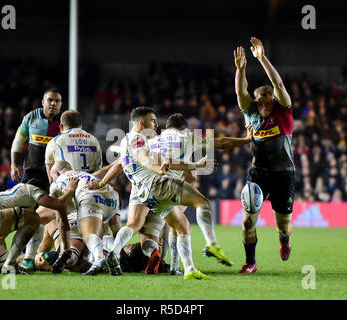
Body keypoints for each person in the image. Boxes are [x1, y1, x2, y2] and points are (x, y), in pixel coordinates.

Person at [86, 106, 213, 280]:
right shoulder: (140, 139)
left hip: (138, 191)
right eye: (153, 120)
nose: (155, 124)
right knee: (175, 225)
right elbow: (144, 158)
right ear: (141, 122)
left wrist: (100, 182)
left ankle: (115, 252)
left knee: (133, 224)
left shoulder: (128, 141)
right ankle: (168, 262)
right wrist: (160, 169)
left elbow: (117, 166)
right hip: (155, 185)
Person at [147, 113, 253, 272]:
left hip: (148, 189)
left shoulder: (153, 140)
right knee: (202, 203)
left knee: (174, 226)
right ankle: (212, 244)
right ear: (185, 127)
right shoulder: (186, 136)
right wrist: (246, 140)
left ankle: (171, 266)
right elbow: (222, 142)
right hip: (169, 186)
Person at [234, 37, 295, 273]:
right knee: (247, 220)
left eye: (268, 102)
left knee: (283, 226)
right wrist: (241, 69)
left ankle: (284, 240)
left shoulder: (284, 112)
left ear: (274, 101)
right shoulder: (250, 113)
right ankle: (250, 262)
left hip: (284, 174)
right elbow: (240, 91)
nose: (264, 106)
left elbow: (278, 84)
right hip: (258, 172)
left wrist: (261, 58)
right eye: (260, 102)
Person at [49, 160, 121, 276]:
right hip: (112, 198)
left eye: (51, 176)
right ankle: (113, 254)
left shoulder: (56, 183)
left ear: (57, 173)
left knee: (88, 234)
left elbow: (60, 217)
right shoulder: (84, 174)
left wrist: (65, 247)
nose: (51, 179)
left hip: (89, 197)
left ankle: (97, 258)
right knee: (104, 229)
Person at [10, 88, 63, 192]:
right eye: (50, 100)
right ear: (43, 102)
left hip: (56, 173)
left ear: (61, 104)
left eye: (57, 101)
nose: (53, 103)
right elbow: (18, 141)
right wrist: (14, 165)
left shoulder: (65, 121)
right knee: (24, 204)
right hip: (32, 172)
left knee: (52, 207)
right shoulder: (31, 117)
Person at [45, 110, 102, 184]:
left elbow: (51, 177)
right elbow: (99, 170)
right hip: (90, 186)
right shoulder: (94, 140)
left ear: (61, 126)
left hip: (67, 187)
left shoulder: (55, 141)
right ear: (81, 125)